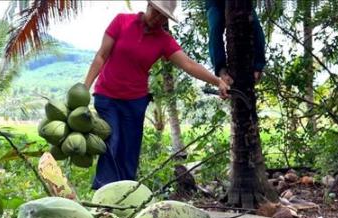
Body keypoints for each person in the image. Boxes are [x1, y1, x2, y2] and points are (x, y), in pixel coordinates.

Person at [84, 0, 229, 190]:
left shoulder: (163, 40)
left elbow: (188, 65)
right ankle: (103, 190)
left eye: (163, 16)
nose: (158, 18)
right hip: (107, 96)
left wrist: (218, 81)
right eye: (156, 11)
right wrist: (84, 87)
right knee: (113, 139)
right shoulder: (121, 22)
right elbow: (101, 55)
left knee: (130, 150)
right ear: (148, 6)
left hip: (135, 101)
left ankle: (126, 191)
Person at [205, 0, 266, 85]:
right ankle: (221, 70)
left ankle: (258, 67)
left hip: (241, 3)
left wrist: (258, 67)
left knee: (255, 26)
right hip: (214, 3)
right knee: (215, 29)